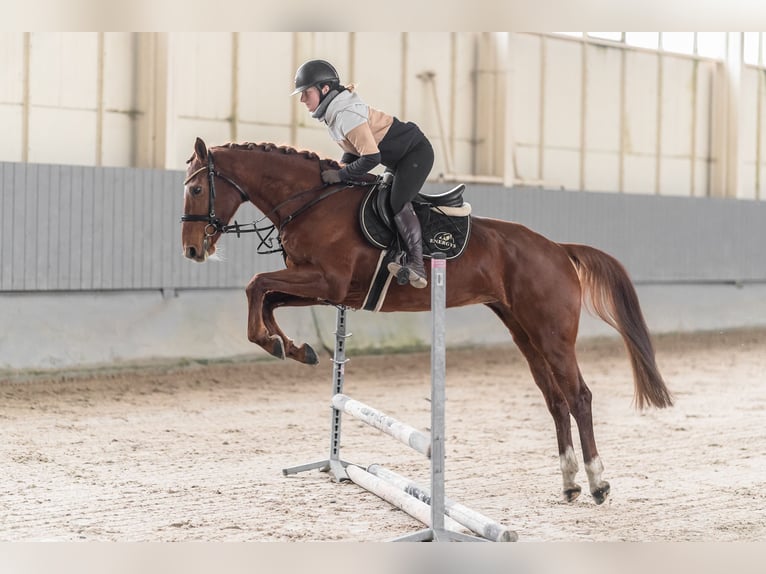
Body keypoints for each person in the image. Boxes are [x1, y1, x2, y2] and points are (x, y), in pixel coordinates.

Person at [291, 59, 434, 289]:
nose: (302, 99)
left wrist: (341, 176)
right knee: (381, 198)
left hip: (415, 154)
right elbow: (352, 151)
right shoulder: (334, 112)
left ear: (324, 89)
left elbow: (371, 158)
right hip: (396, 158)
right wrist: (339, 172)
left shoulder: (345, 113)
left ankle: (417, 263)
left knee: (397, 201)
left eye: (306, 92)